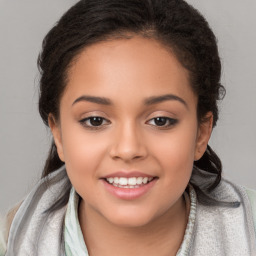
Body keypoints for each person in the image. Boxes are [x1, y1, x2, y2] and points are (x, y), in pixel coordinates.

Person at [1, 0, 256, 255]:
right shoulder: (13, 241)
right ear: (58, 134)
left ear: (201, 133)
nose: (128, 149)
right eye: (95, 120)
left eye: (160, 120)